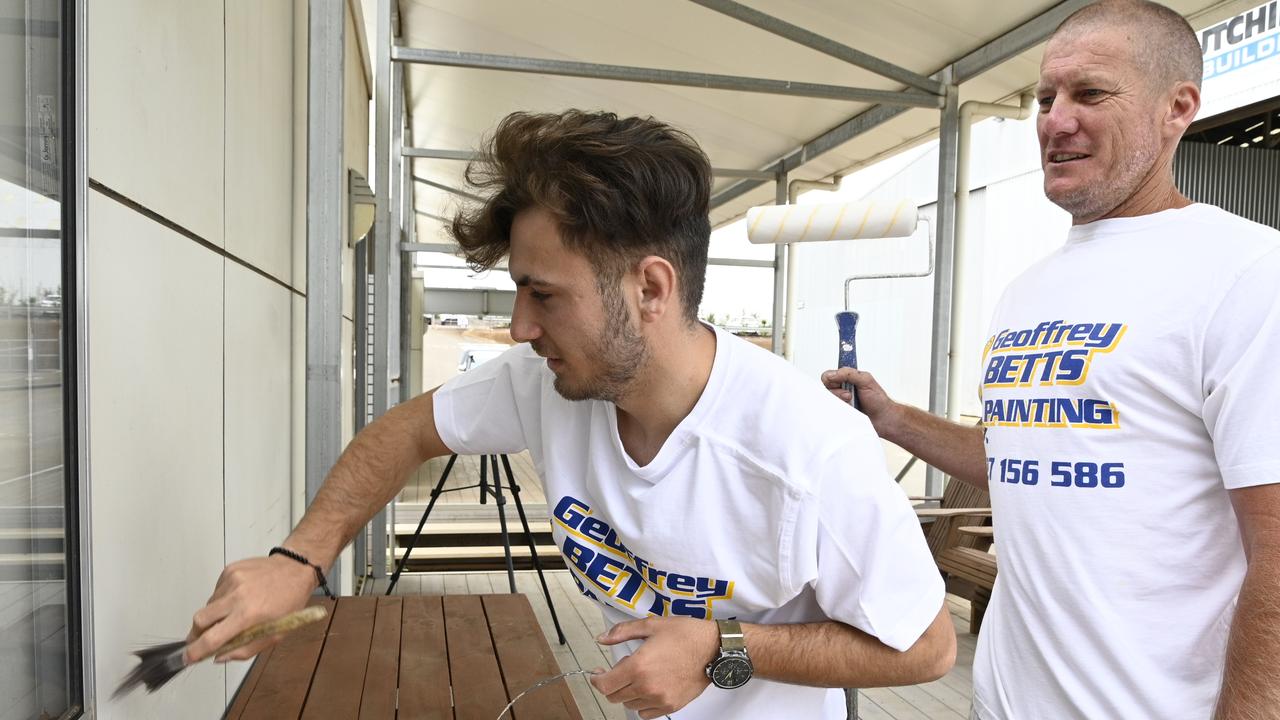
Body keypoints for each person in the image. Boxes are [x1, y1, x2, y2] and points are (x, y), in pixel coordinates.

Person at [186, 110, 955, 719]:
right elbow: (409, 430)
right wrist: (299, 561)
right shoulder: (544, 383)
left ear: (650, 290)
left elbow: (927, 649)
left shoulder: (806, 450)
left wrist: (723, 645)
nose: (519, 327)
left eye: (543, 294)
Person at [823, 1, 1280, 718]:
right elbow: (1027, 457)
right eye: (1044, 98)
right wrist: (891, 418)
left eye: (1090, 94)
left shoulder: (1250, 274)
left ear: (1178, 108)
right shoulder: (1029, 290)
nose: (1054, 121)